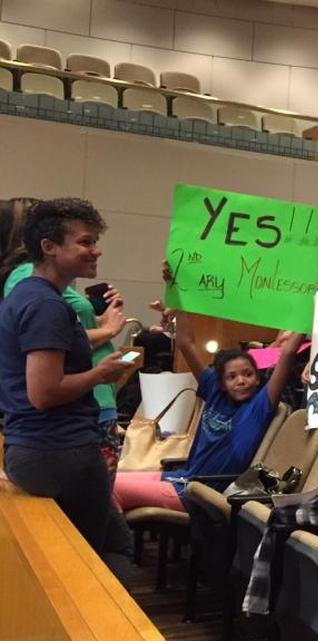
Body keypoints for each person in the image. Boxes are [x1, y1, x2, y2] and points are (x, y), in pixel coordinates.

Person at [0, 198, 136, 578]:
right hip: (61, 452)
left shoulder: (27, 297)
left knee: (80, 555)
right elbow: (43, 392)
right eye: (86, 242)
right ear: (49, 247)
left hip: (36, 449)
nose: (96, 250)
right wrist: (100, 373)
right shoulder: (46, 305)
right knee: (98, 557)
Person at [113, 301, 305, 512]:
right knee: (107, 480)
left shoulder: (260, 406)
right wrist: (179, 300)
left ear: (258, 379)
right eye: (232, 377)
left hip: (202, 492)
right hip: (182, 477)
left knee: (111, 489)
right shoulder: (215, 391)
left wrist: (308, 307)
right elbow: (186, 344)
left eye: (248, 374)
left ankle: (107, 545)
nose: (241, 381)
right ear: (221, 382)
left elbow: (287, 353)